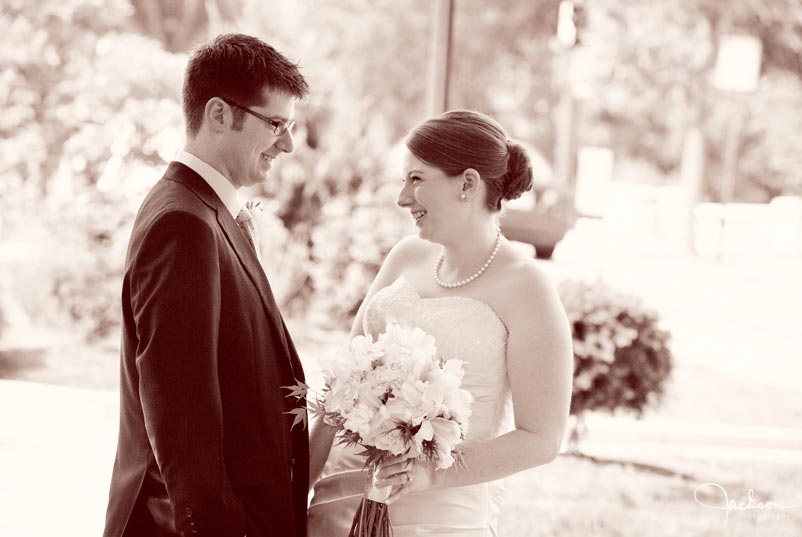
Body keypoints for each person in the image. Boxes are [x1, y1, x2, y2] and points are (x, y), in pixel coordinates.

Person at [307, 110, 574, 536]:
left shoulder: (527, 287)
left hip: (441, 516)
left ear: (467, 184)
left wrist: (432, 474)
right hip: (340, 505)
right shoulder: (404, 257)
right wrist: (296, 483)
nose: (402, 198)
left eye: (416, 179)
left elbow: (541, 437)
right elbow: (340, 389)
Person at [103, 34, 310, 537]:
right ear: (219, 114)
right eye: (276, 124)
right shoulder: (183, 223)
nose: (287, 143)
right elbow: (182, 424)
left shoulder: (203, 209)